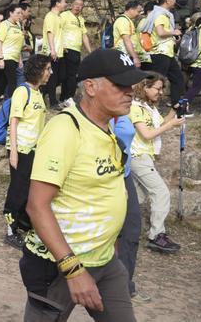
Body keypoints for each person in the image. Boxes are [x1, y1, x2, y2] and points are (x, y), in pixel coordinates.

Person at [19, 49, 145, 321]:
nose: (130, 92)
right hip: (60, 266)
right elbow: (37, 206)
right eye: (120, 85)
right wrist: (73, 270)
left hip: (105, 261)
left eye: (131, 85)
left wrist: (112, 242)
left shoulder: (105, 128)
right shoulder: (65, 129)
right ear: (90, 87)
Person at [129, 74, 184, 254]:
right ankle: (156, 236)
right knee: (161, 192)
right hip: (138, 157)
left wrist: (174, 111)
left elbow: (161, 123)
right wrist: (171, 126)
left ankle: (120, 231)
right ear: (145, 87)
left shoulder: (148, 107)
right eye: (157, 89)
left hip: (145, 157)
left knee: (136, 197)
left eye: (162, 89)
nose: (160, 92)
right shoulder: (134, 107)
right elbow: (147, 134)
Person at [3, 55, 51, 250]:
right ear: (38, 70)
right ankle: (10, 230)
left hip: (34, 150)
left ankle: (24, 225)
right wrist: (13, 152)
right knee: (18, 190)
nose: (50, 72)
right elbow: (13, 122)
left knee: (30, 191)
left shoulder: (38, 93)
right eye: (47, 68)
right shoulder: (22, 92)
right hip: (21, 149)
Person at [109, 114, 149, 304]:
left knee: (131, 230)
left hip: (124, 176)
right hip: (103, 178)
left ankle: (124, 287)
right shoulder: (99, 109)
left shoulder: (126, 110)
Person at [140, 0, 184, 108]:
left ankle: (176, 105)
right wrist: (173, 32)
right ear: (167, 0)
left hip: (167, 53)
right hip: (160, 53)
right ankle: (146, 105)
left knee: (178, 79)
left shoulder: (162, 14)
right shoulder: (160, 14)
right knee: (155, 82)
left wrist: (173, 37)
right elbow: (160, 32)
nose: (175, 1)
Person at [60, 0, 92, 105]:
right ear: (72, 5)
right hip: (66, 49)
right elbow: (58, 30)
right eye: (76, 4)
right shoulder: (64, 15)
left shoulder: (81, 19)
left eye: (81, 5)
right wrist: (61, 45)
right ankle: (66, 97)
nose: (78, 7)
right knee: (66, 75)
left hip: (76, 50)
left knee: (72, 75)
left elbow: (84, 35)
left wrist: (89, 51)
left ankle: (66, 97)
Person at [40, 0, 67, 109]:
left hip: (59, 52)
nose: (66, 4)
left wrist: (63, 47)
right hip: (52, 52)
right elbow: (50, 33)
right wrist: (52, 50)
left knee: (61, 77)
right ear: (57, 3)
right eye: (64, 1)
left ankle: (42, 92)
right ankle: (53, 102)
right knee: (53, 77)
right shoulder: (50, 16)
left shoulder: (59, 17)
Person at [0, 5, 25, 99]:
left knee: (4, 81)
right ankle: (12, 103)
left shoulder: (18, 25)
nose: (20, 15)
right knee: (12, 82)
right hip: (7, 57)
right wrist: (0, 58)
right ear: (11, 13)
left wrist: (20, 59)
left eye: (21, 13)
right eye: (18, 13)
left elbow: (18, 44)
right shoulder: (4, 24)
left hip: (15, 57)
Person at [113, 1, 143, 68]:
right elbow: (127, 40)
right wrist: (135, 57)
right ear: (131, 9)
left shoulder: (128, 21)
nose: (139, 14)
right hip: (123, 56)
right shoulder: (123, 21)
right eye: (138, 11)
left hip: (127, 55)